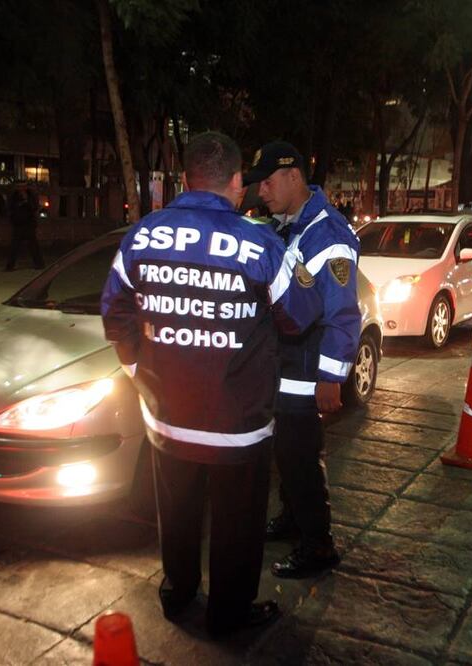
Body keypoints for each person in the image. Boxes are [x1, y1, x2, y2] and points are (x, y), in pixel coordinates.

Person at [100, 131, 320, 637]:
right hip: (237, 424)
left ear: (184, 179)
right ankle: (229, 614)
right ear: (238, 182)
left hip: (168, 417)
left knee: (176, 513)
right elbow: (301, 314)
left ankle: (177, 594)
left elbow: (114, 314)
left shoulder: (142, 236)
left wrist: (137, 372)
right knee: (237, 524)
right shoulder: (260, 243)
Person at [244, 141, 361, 579]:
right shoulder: (287, 225)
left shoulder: (327, 233)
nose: (261, 192)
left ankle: (318, 546)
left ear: (294, 176)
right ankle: (293, 518)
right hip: (283, 365)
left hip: (307, 371)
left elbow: (342, 312)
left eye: (268, 182)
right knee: (287, 454)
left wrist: (331, 376)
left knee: (301, 458)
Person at [5, 187, 44, 271]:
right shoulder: (14, 196)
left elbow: (34, 207)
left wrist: (27, 203)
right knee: (15, 246)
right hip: (18, 224)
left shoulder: (30, 195)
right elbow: (10, 208)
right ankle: (10, 265)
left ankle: (39, 264)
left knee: (33, 245)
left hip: (28, 224)